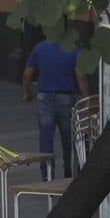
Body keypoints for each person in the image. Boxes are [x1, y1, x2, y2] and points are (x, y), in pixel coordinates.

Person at [22, 38, 92, 180]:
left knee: (46, 138)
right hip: (66, 97)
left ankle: (46, 175)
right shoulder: (72, 49)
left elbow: (26, 74)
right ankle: (69, 172)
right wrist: (87, 99)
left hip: (44, 98)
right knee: (68, 137)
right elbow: (81, 77)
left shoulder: (39, 48)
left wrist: (26, 92)